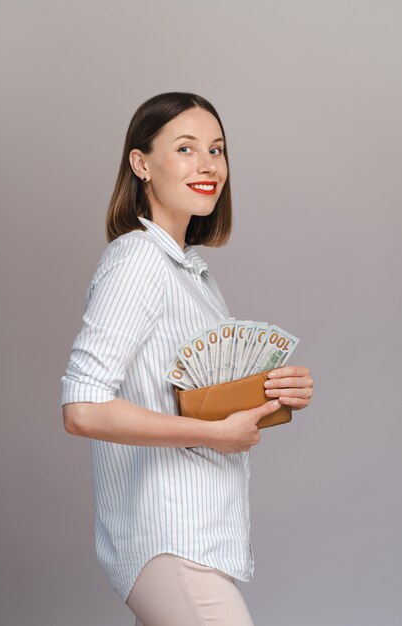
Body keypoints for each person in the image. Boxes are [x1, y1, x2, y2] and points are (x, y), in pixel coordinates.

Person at [60, 91, 314, 626]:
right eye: (185, 148)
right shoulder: (137, 260)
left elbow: (191, 396)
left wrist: (271, 392)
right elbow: (82, 408)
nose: (207, 165)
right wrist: (216, 436)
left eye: (217, 150)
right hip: (168, 538)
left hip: (197, 536)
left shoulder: (193, 275)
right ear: (141, 164)